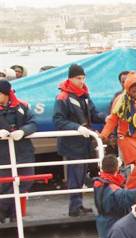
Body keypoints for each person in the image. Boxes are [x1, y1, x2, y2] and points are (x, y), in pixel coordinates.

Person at [53, 63, 106, 217]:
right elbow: (58, 120)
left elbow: (94, 114)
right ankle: (74, 207)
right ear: (70, 79)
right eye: (78, 78)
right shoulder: (62, 97)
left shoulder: (84, 96)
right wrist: (76, 127)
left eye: (83, 78)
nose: (81, 81)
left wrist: (107, 118)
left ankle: (78, 205)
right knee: (75, 176)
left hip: (84, 143)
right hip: (72, 144)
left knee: (81, 175)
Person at [101, 72, 136, 189]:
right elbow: (112, 119)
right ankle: (130, 191)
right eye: (133, 91)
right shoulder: (120, 100)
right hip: (126, 138)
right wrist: (104, 135)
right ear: (127, 88)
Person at [0, 80, 37, 223]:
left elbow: (33, 123)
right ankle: (11, 216)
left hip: (23, 151)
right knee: (5, 184)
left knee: (26, 180)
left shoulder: (22, 106)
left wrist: (23, 131)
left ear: (5, 94)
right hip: (3, 154)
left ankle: (3, 209)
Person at [93, 154, 136, 238]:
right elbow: (126, 196)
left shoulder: (100, 183)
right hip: (114, 224)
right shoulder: (113, 188)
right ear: (117, 169)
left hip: (104, 223)